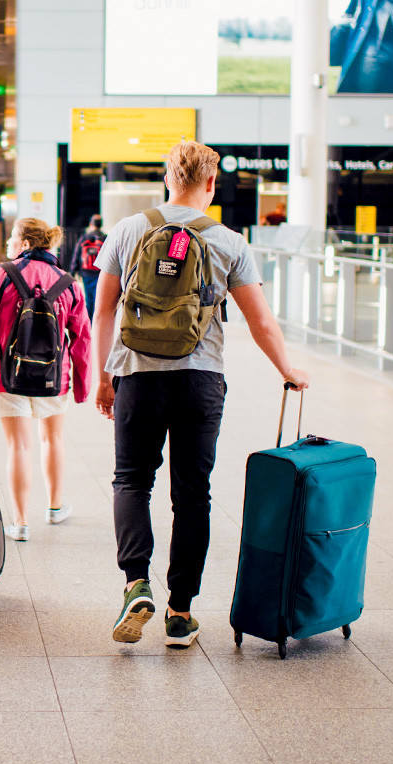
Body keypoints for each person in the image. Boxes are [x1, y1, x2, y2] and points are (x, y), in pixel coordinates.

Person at [92, 141, 311, 649]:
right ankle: (179, 613)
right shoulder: (229, 241)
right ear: (211, 184)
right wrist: (287, 368)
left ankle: (135, 585)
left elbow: (102, 311)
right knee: (192, 496)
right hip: (200, 380)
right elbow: (260, 321)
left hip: (137, 375)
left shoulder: (129, 229)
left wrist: (104, 377)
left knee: (131, 481)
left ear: (168, 178)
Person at [0, 218, 92, 542]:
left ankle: (20, 523)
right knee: (53, 439)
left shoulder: (1, 274)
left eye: (12, 237)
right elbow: (82, 337)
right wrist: (82, 385)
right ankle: (54, 506)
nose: (8, 242)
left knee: (18, 446)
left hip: (8, 374)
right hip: (53, 376)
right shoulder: (69, 282)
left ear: (24, 243)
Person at [70, 214, 105, 319]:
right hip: (100, 273)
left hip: (86, 273)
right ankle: (96, 321)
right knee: (98, 298)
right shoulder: (105, 238)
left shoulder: (84, 238)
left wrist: (73, 270)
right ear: (101, 225)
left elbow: (76, 254)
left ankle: (89, 323)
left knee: (89, 299)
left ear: (91, 224)